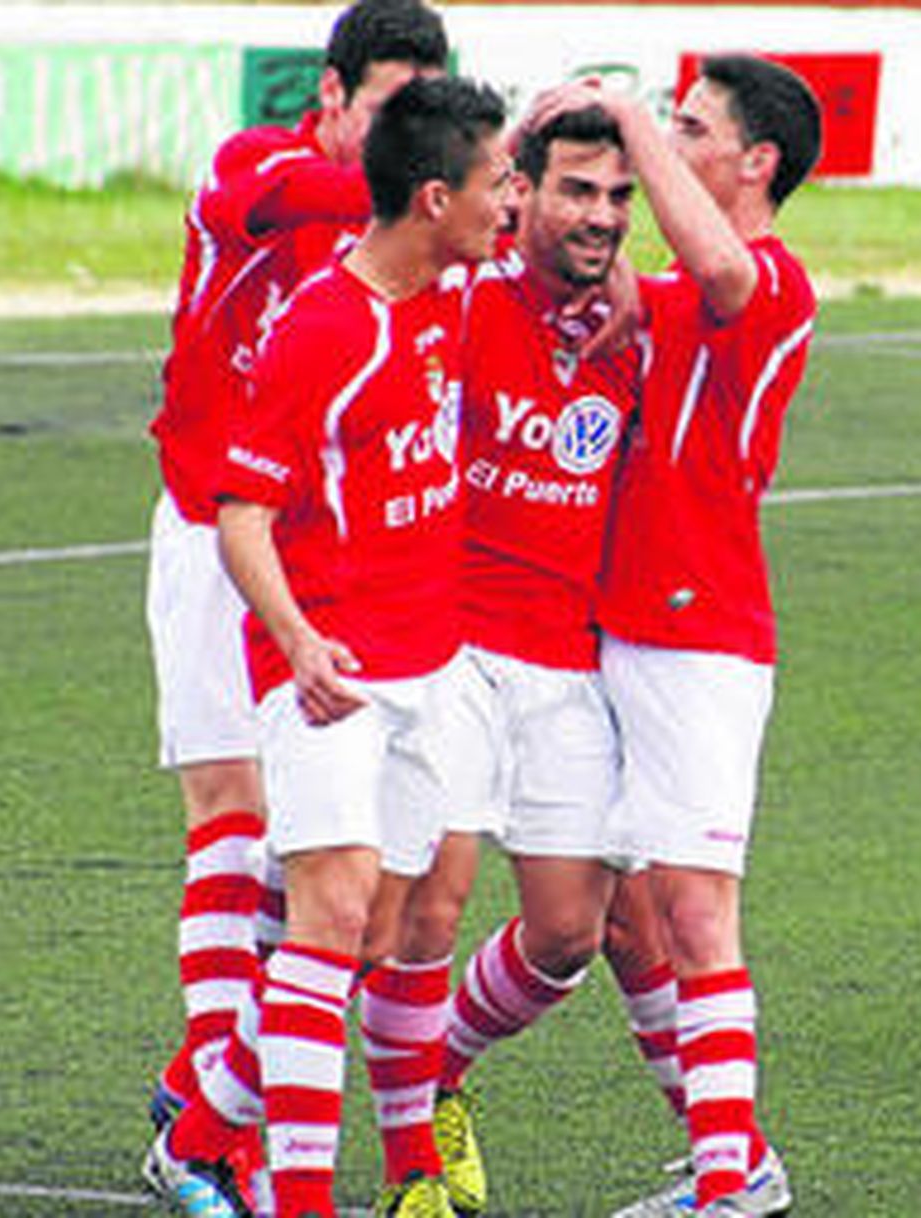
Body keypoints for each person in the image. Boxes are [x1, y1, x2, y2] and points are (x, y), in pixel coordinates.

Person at [143, 74, 514, 1218]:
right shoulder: (323, 328)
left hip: (426, 665)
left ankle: (200, 1128)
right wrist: (297, 642)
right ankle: (297, 1197)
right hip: (329, 673)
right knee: (333, 909)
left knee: (390, 927)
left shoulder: (454, 295)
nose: (513, 203)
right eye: (499, 183)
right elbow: (241, 512)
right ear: (436, 198)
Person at [366, 103, 685, 1218]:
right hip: (447, 648)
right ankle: (410, 1173)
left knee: (569, 931)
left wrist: (637, 292)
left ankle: (438, 1071)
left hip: (569, 664)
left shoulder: (637, 329)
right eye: (573, 191)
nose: (598, 216)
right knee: (426, 909)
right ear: (523, 194)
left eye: (616, 198)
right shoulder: (463, 297)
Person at [535, 55, 822, 1217]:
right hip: (616, 625)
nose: (666, 141)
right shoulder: (669, 287)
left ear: (753, 164)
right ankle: (728, 1158)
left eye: (694, 128)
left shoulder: (773, 281)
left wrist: (631, 121)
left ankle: (727, 1183)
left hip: (699, 638)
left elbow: (713, 266)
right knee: (620, 918)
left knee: (697, 914)